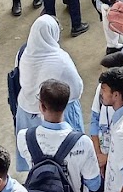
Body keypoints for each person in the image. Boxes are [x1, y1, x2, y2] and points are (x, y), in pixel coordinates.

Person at [14, 15, 86, 150]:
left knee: (32, 153)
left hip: (26, 112)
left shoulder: (23, 53)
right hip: (55, 115)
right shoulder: (61, 59)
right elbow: (76, 89)